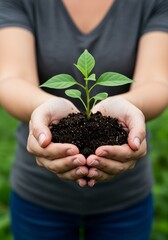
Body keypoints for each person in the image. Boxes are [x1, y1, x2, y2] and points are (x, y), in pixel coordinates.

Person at [0, 0, 168, 239]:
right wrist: (44, 107)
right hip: (39, 193)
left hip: (125, 198)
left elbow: (157, 81)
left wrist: (131, 106)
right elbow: (11, 78)